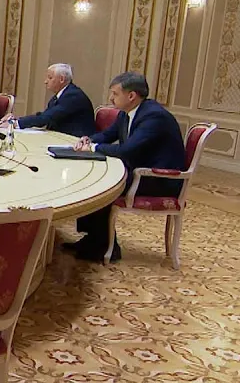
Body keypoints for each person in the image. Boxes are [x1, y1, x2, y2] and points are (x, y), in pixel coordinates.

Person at [68, 72, 186, 262]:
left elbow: (127, 151)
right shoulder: (127, 113)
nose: (111, 98)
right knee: (92, 179)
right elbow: (107, 135)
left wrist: (93, 148)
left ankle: (105, 247)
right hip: (139, 171)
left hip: (160, 179)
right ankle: (93, 239)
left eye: (115, 94)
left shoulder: (154, 116)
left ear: (131, 96)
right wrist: (88, 140)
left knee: (100, 185)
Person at [0, 63, 95, 138]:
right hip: (60, 137)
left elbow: (47, 118)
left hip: (75, 141)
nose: (45, 81)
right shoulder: (61, 95)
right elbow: (44, 115)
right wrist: (17, 119)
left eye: (50, 78)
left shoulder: (73, 96)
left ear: (61, 79)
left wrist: (16, 124)